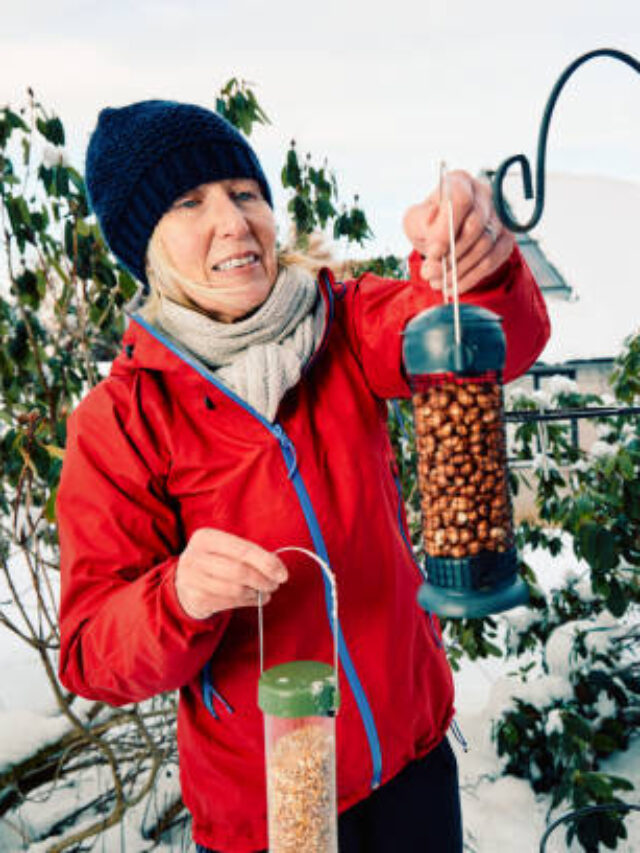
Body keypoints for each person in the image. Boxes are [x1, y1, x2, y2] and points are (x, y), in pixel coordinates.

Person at [56, 99, 550, 853]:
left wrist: (468, 260)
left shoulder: (344, 323)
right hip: (271, 810)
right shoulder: (121, 419)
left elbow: (482, 336)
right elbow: (91, 648)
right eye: (190, 202)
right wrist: (178, 595)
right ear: (145, 246)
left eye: (245, 193)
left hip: (411, 764)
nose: (234, 220)